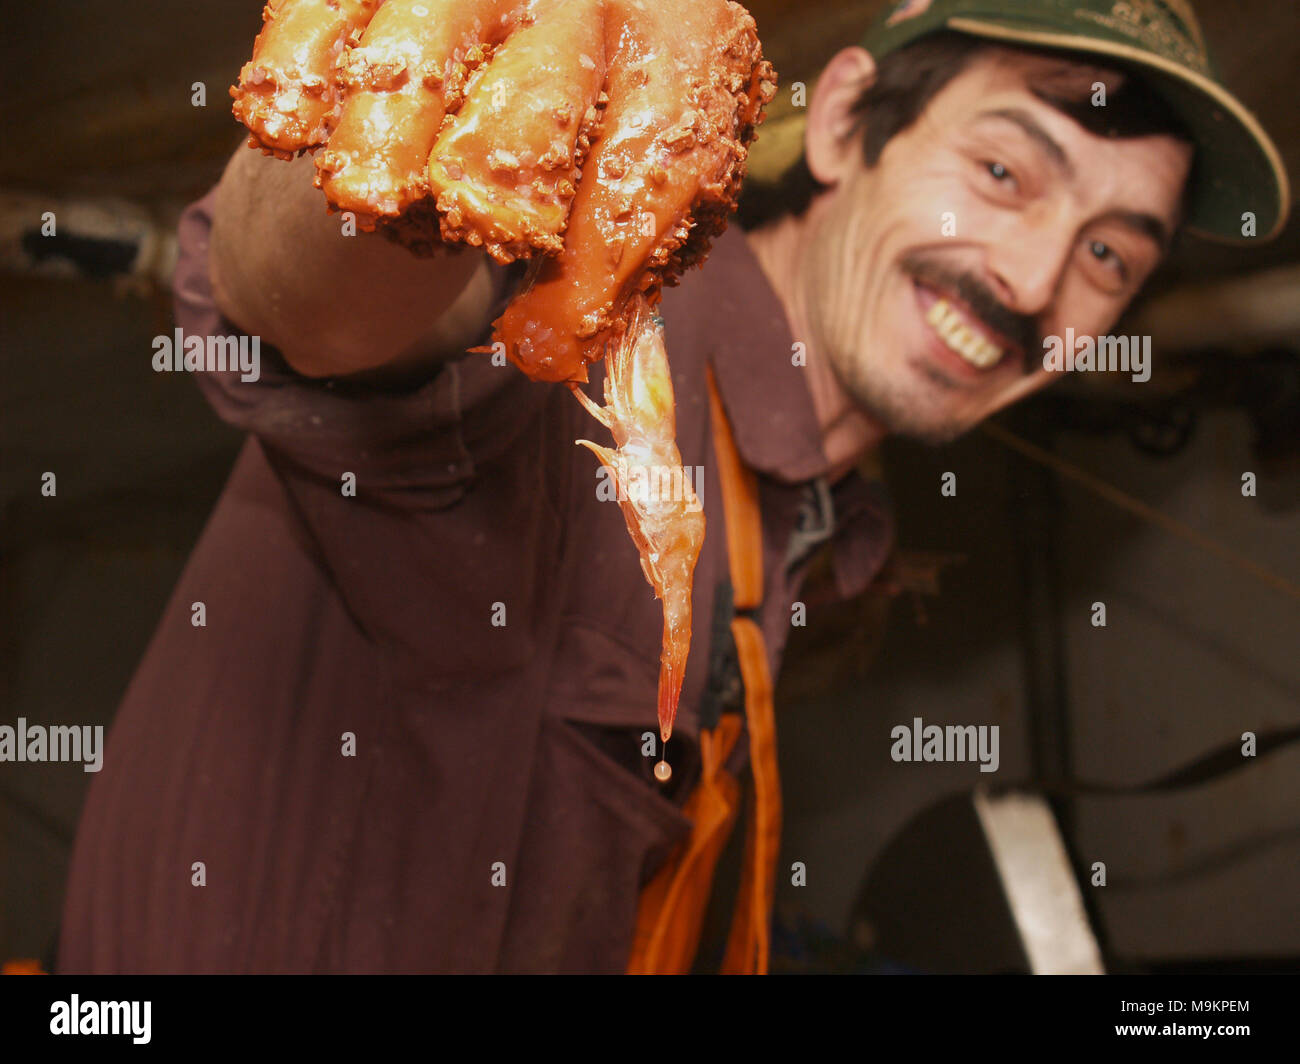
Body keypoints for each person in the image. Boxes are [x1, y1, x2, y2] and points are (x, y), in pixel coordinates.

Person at [57, 0, 1287, 973]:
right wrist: (399, 118)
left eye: (1110, 253)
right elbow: (299, 315)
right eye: (1007, 172)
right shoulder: (599, 334)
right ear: (848, 119)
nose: (1031, 279)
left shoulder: (828, 535)